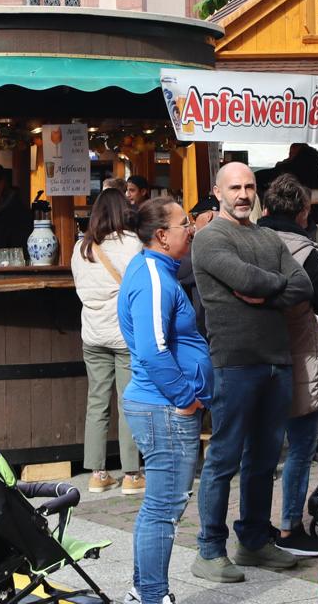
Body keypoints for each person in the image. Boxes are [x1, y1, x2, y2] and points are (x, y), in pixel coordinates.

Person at [190, 161, 312, 583]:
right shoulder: (208, 239)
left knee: (263, 459)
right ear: (217, 191)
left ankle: (254, 542)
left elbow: (305, 286)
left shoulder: (267, 235)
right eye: (235, 187)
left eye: (249, 187)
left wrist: (265, 291)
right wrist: (271, 285)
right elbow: (243, 276)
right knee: (223, 459)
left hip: (277, 361)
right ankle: (208, 549)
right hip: (235, 362)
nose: (243, 194)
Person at [119, 196, 213, 604]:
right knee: (164, 508)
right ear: (161, 235)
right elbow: (154, 350)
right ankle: (152, 596)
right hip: (165, 407)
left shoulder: (153, 271)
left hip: (160, 405)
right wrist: (187, 399)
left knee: (158, 506)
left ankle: (145, 591)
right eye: (184, 223)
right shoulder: (154, 277)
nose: (190, 229)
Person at [258, 174, 318, 558]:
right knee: (301, 446)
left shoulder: (246, 241)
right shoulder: (306, 251)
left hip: (254, 357)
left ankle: (254, 530)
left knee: (258, 451)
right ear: (304, 212)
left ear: (266, 208)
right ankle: (290, 527)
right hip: (299, 356)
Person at [70, 187, 144, 496]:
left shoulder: (81, 248)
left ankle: (97, 474)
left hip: (93, 333)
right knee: (128, 402)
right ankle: (131, 473)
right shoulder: (133, 244)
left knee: (97, 401)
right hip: (124, 334)